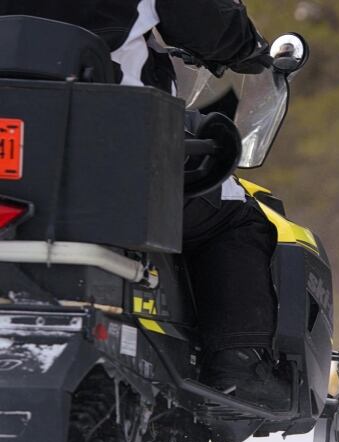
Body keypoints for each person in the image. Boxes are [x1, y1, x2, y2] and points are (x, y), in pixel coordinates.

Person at [0, 0, 291, 409]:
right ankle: (237, 366)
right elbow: (208, 23)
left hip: (15, 167)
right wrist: (250, 47)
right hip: (106, 160)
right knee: (235, 215)